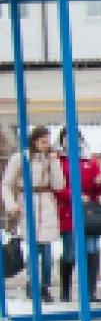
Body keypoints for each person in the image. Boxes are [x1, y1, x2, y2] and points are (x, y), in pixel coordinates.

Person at [2, 127, 65, 303]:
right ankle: (33, 283)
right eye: (43, 141)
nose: (46, 145)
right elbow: (7, 184)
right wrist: (12, 205)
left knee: (47, 252)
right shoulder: (20, 158)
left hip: (46, 203)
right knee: (33, 249)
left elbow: (59, 185)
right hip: (27, 203)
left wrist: (54, 163)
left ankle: (44, 285)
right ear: (34, 141)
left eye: (48, 141)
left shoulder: (50, 159)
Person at [55, 127, 101, 304]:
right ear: (61, 140)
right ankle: (65, 291)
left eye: (75, 138)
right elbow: (58, 187)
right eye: (67, 138)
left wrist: (100, 184)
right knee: (70, 253)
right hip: (69, 211)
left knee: (92, 250)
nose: (71, 142)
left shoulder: (89, 160)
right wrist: (75, 196)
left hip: (89, 212)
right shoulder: (58, 160)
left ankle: (90, 291)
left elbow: (98, 188)